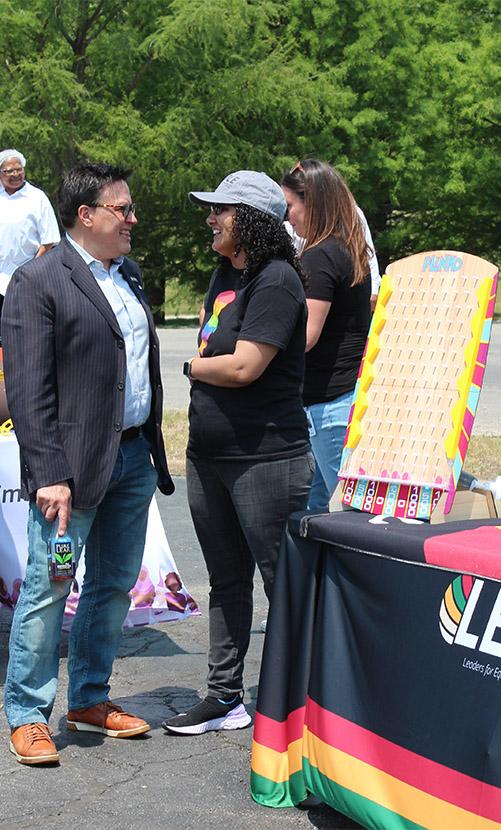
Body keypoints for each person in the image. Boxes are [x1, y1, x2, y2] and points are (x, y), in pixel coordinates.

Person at [1, 162, 174, 765]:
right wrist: (49, 472)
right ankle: (26, 711)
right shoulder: (38, 280)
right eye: (121, 208)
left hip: (131, 458)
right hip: (69, 472)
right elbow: (27, 388)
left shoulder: (129, 275)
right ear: (87, 215)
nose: (132, 219)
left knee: (112, 587)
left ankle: (89, 698)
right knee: (51, 586)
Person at [162, 171, 313, 736]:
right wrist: (205, 368)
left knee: (282, 582)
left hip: (266, 458)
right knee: (225, 582)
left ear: (249, 219)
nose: (210, 219)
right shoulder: (225, 274)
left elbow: (245, 366)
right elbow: (213, 341)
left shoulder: (276, 281)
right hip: (209, 453)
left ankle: (298, 701)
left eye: (220, 211)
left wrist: (190, 369)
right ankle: (225, 696)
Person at [281, 159, 371, 512]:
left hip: (329, 404)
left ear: (312, 203)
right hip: (344, 397)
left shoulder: (318, 258)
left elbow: (306, 336)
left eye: (291, 206)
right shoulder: (347, 249)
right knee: (318, 510)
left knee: (347, 514)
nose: (288, 217)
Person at [0, 149, 60, 315]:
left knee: (21, 326)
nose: (15, 174)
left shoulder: (37, 198)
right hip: (1, 277)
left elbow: (49, 240)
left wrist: (30, 271)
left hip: (28, 278)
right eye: (9, 171)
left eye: (19, 169)